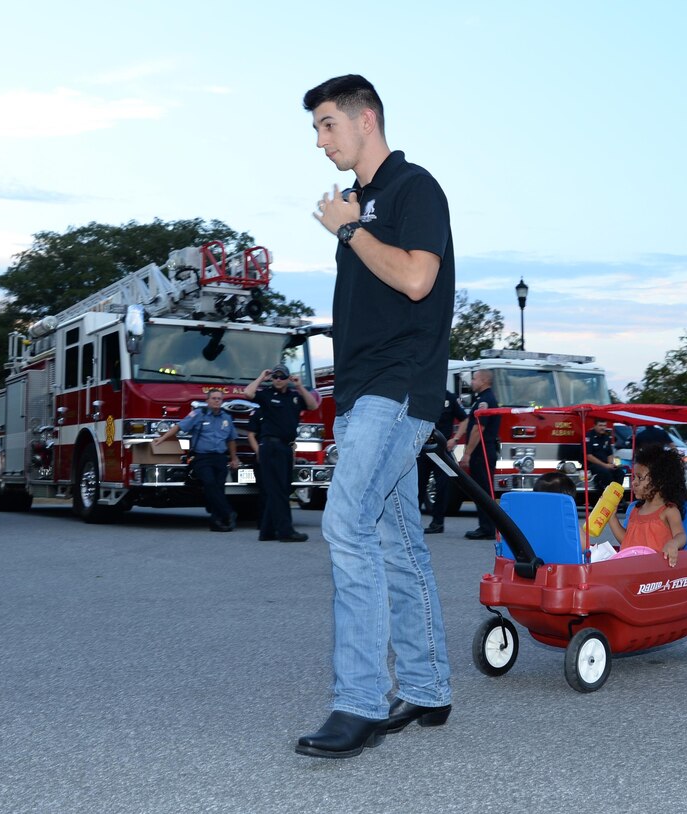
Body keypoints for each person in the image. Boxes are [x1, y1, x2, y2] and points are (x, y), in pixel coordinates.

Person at [295, 74, 454, 759]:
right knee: (396, 541)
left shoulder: (414, 188)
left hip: (400, 388)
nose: (321, 139)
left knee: (346, 523)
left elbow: (418, 279)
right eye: (315, 129)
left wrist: (353, 227)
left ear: (366, 120)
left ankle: (359, 701)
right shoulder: (358, 204)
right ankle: (426, 687)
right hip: (364, 393)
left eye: (329, 124)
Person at [243, 364, 319, 542]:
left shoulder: (294, 396)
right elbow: (247, 393)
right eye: (275, 376)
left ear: (288, 378)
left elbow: (313, 405)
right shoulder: (266, 395)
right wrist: (262, 377)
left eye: (282, 376)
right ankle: (286, 531)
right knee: (277, 490)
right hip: (271, 446)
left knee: (281, 488)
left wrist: (299, 386)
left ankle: (267, 531)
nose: (278, 379)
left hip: (286, 448)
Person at [153, 389, 240, 532]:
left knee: (219, 488)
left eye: (219, 398)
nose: (217, 401)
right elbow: (179, 427)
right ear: (207, 401)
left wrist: (234, 458)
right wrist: (162, 438)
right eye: (214, 398)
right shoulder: (199, 415)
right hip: (202, 457)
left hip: (220, 458)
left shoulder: (226, 418)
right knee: (210, 484)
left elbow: (231, 440)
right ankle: (228, 512)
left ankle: (217, 522)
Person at [607, 444, 687, 567]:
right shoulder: (636, 509)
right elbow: (627, 541)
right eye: (634, 477)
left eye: (640, 478)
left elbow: (681, 535)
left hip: (656, 573)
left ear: (660, 481)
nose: (634, 482)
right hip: (631, 568)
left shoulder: (669, 511)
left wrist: (674, 543)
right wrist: (612, 517)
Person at [454, 369, 501, 540]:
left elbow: (477, 429)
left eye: (474, 379)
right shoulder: (481, 399)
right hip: (483, 451)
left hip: (482, 451)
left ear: (483, 381)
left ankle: (487, 528)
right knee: (482, 490)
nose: (472, 382)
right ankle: (486, 526)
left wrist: (467, 454)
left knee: (483, 491)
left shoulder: (486, 401)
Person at [417, 390, 467, 534]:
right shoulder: (423, 395)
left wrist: (455, 439)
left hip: (442, 450)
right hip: (423, 448)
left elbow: (464, 419)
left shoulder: (449, 398)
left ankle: (438, 523)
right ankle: (412, 524)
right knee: (418, 487)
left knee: (442, 487)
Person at [585, 419, 623, 492]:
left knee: (620, 472)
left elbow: (609, 454)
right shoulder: (589, 437)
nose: (603, 428)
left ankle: (617, 494)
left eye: (604, 425)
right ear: (595, 426)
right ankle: (608, 494)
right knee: (606, 473)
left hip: (605, 465)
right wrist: (605, 465)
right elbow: (588, 456)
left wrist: (611, 464)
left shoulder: (606, 437)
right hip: (592, 465)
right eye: (600, 425)